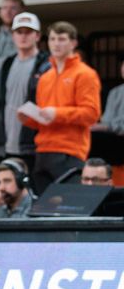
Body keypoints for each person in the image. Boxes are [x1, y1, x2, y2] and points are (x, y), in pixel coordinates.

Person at [17, 21, 102, 194]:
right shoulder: (45, 77)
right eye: (53, 39)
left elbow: (91, 113)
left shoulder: (85, 74)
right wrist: (30, 120)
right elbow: (45, 118)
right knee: (43, 210)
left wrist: (56, 113)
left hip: (70, 150)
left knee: (69, 207)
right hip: (43, 150)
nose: (56, 43)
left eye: (62, 39)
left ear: (73, 43)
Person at [0, 12, 51, 171]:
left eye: (28, 32)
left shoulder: (47, 65)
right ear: (13, 35)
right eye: (19, 32)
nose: (23, 36)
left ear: (37, 36)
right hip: (4, 145)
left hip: (34, 145)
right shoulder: (6, 65)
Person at [92, 59, 124, 186]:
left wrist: (108, 127)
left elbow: (110, 125)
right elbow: (106, 119)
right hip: (112, 138)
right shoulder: (115, 92)